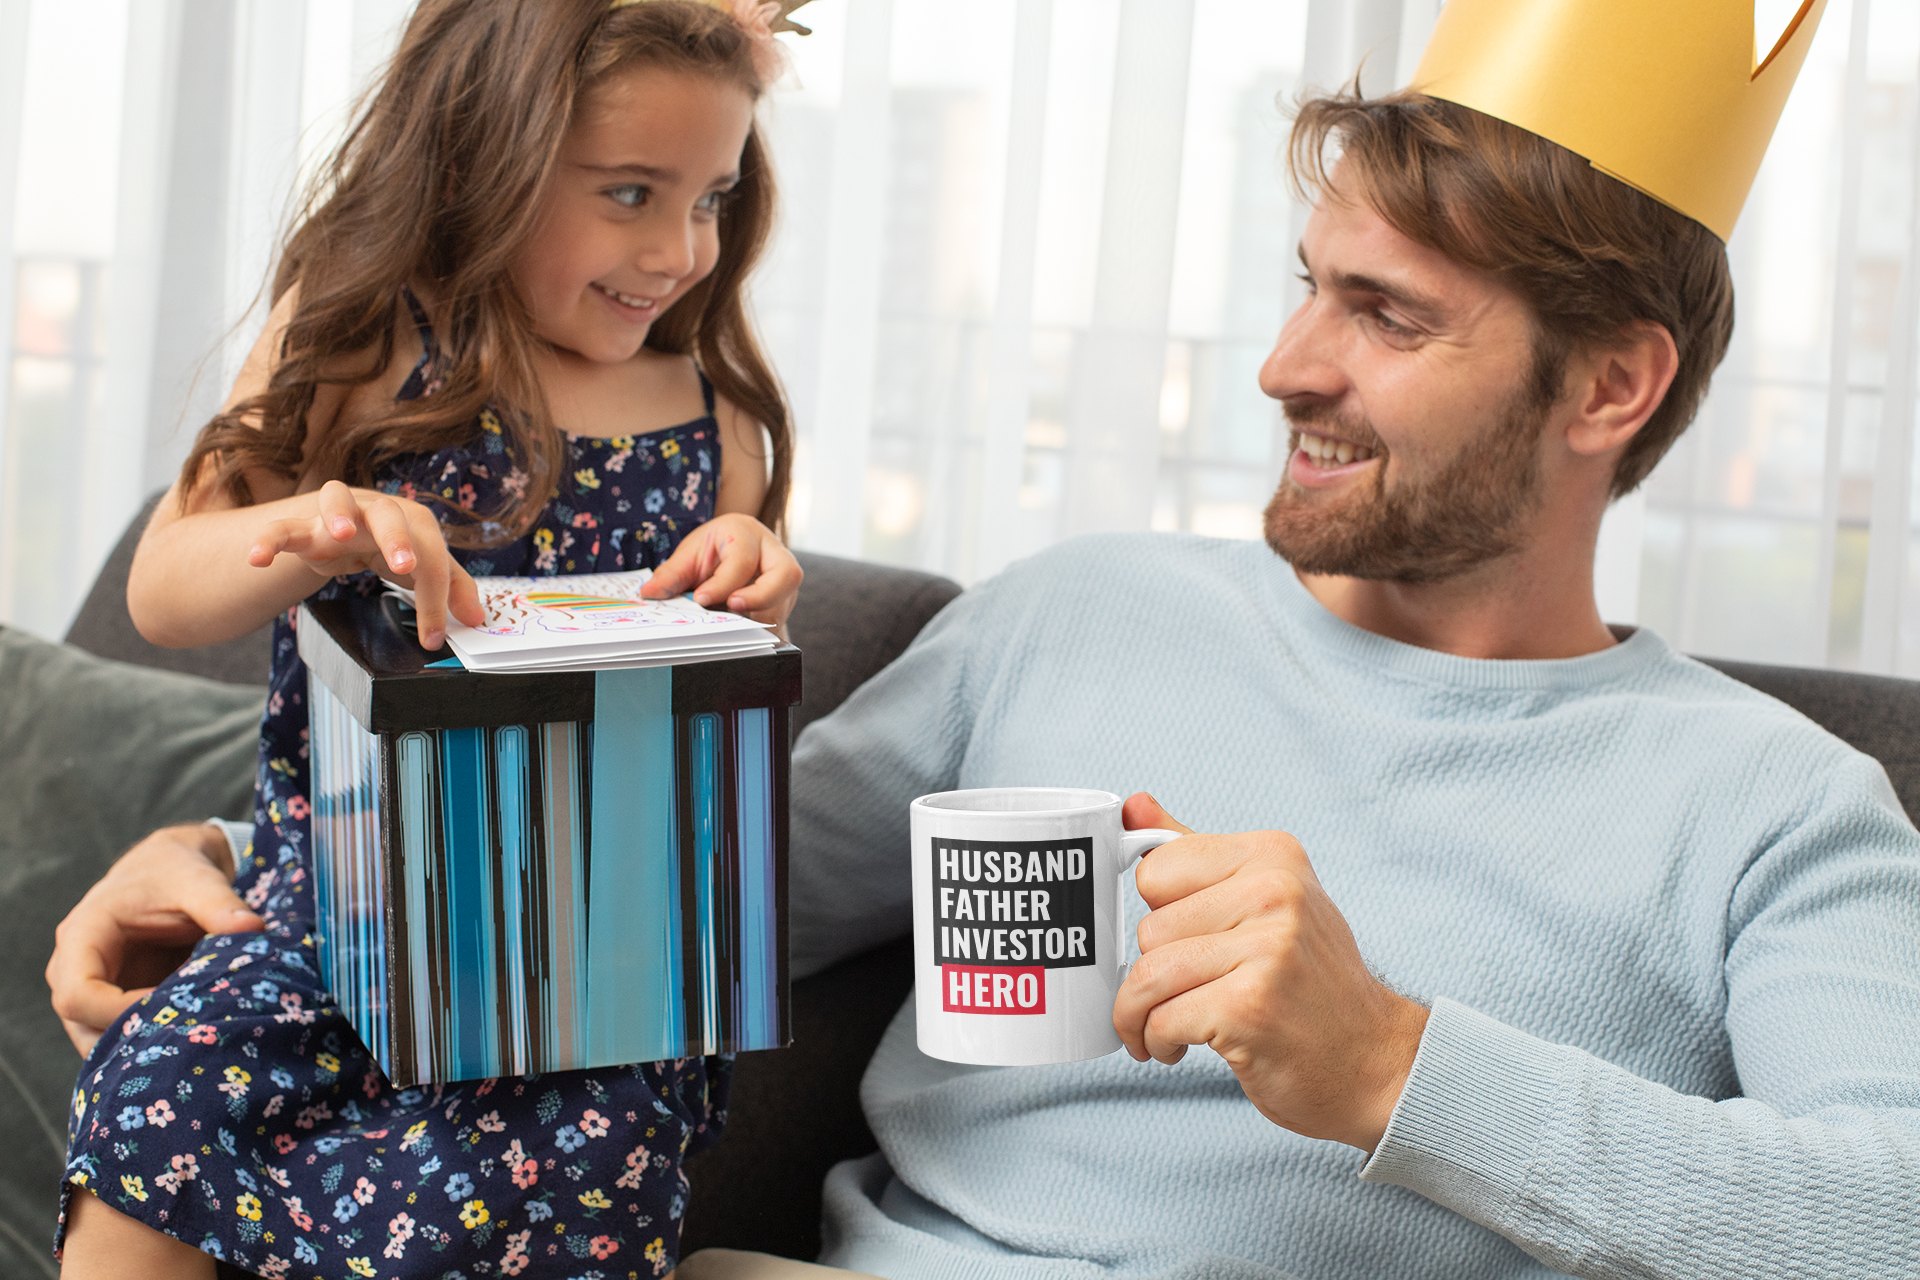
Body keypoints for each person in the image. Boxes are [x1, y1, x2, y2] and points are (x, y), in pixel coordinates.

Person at [53, 10, 1920, 1280]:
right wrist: (274, 864)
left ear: (1609, 386)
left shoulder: (1776, 805)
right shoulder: (1080, 614)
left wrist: (1389, 1065)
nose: (1287, 367)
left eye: (1388, 316)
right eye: (1306, 290)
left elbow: (1890, 1214)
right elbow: (688, 880)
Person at [50, 1, 807, 1276]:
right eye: (630, 192)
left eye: (712, 199)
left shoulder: (712, 418)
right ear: (484, 160)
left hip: (584, 974)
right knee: (156, 1084)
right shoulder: (358, 341)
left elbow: (724, 731)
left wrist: (755, 586)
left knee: (586, 1159)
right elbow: (164, 592)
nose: (680, 249)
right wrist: (308, 528)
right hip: (319, 917)